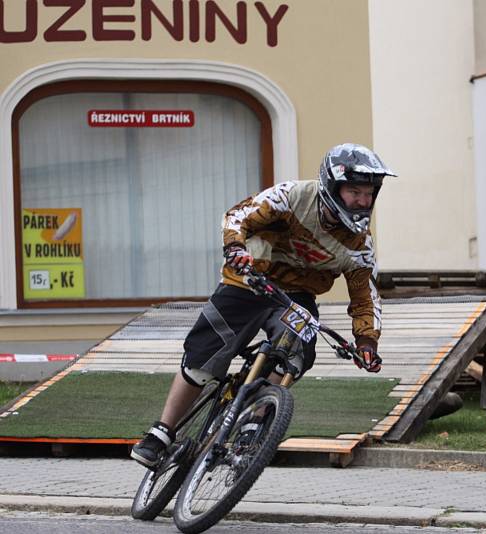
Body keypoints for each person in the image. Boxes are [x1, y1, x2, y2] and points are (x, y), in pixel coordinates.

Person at [131, 143, 396, 468]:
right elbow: (238, 216)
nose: (363, 201)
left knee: (297, 351)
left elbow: (365, 296)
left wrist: (367, 341)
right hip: (251, 277)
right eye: (355, 191)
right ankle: (162, 432)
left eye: (369, 193)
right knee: (205, 356)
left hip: (296, 297)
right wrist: (235, 247)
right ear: (332, 185)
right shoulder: (291, 196)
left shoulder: (360, 245)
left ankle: (253, 423)